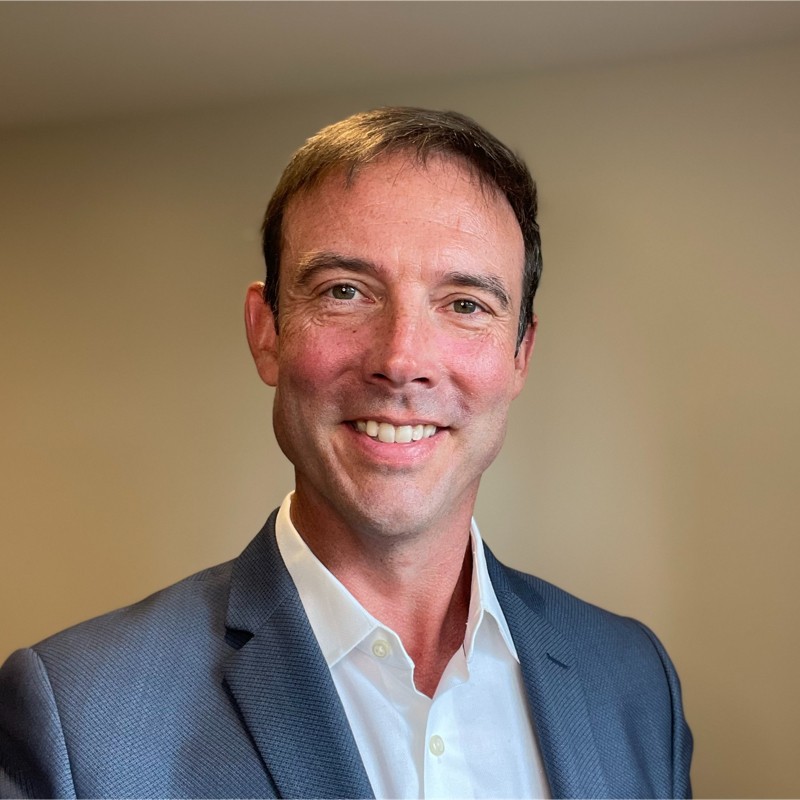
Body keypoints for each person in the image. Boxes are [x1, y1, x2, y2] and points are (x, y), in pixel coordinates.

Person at [0, 107, 692, 799]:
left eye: (466, 304)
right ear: (267, 331)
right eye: (345, 292)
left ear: (520, 356)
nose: (401, 359)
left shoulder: (633, 680)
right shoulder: (77, 718)